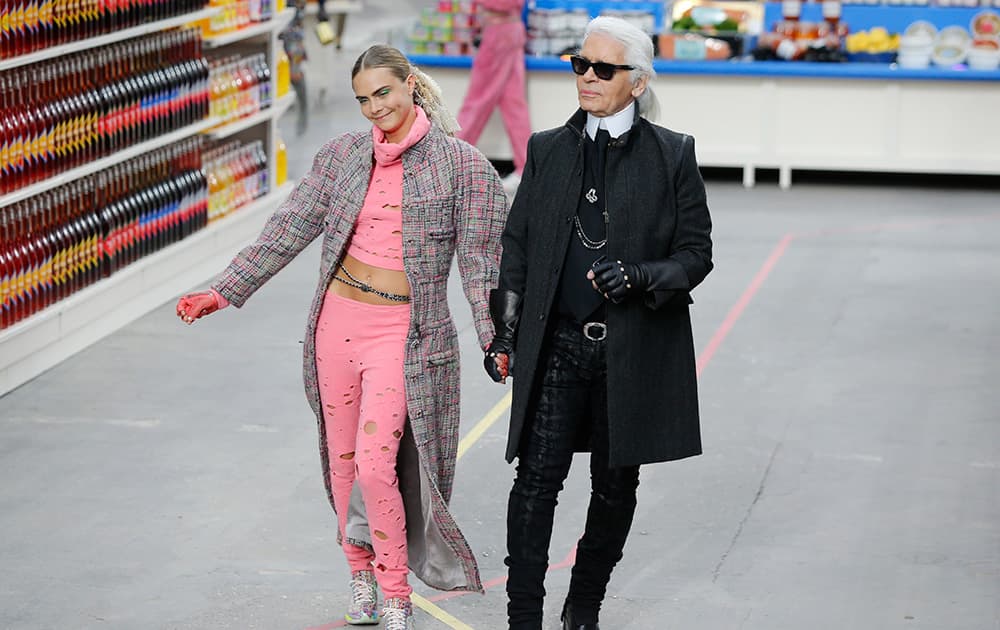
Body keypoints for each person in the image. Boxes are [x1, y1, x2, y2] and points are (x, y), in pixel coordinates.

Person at [176, 44, 507, 630]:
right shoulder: (342, 158)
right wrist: (223, 290)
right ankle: (361, 580)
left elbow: (483, 266)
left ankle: (397, 594)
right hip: (336, 328)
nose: (374, 108)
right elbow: (287, 229)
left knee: (380, 467)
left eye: (384, 93)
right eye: (363, 99)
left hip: (405, 336)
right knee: (345, 465)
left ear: (411, 86)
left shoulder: (464, 166)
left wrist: (497, 338)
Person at [482, 16, 714, 630]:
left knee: (614, 488)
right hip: (557, 344)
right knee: (535, 483)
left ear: (636, 83)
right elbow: (519, 244)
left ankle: (583, 609)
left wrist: (640, 276)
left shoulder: (673, 154)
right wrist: (504, 331)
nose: (586, 76)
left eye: (603, 69)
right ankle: (523, 618)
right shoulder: (548, 149)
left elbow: (697, 255)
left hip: (631, 349)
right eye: (579, 64)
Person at [456, 0, 531, 196]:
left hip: (499, 33)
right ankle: (526, 167)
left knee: (477, 101)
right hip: (508, 31)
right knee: (514, 105)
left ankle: (451, 160)